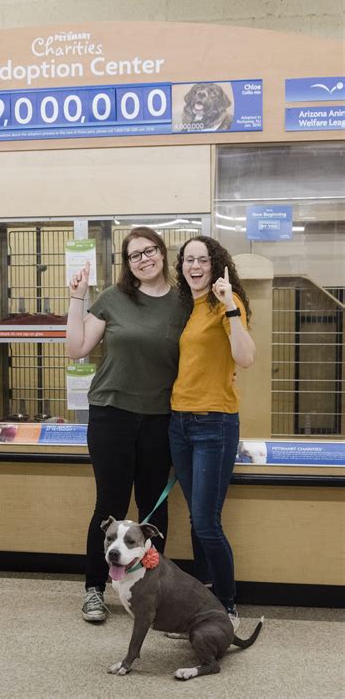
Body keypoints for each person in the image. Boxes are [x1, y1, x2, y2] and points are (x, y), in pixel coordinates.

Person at [66, 227, 187, 623]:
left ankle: (153, 591)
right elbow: (77, 348)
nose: (144, 259)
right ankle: (94, 590)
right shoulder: (113, 298)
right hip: (111, 414)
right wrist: (77, 298)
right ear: (128, 263)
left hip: (160, 418)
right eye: (135, 255)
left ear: (162, 253)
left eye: (149, 251)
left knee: (153, 509)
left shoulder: (183, 302)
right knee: (110, 506)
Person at [168, 235, 255, 631]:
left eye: (202, 259)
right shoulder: (189, 308)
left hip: (214, 423)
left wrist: (230, 307)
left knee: (206, 522)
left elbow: (245, 357)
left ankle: (227, 606)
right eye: (188, 260)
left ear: (216, 264)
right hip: (180, 422)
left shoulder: (226, 301)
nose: (194, 266)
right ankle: (204, 604)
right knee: (195, 521)